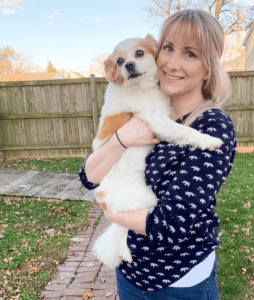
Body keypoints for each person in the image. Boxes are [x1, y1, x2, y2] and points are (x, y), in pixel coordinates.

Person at [79, 9, 236, 300]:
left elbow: (169, 228)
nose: (172, 63)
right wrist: (121, 139)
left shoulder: (213, 127)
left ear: (209, 66)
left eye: (190, 54)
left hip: (178, 281)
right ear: (157, 52)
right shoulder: (145, 108)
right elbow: (87, 177)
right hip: (130, 273)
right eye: (168, 48)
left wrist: (113, 212)